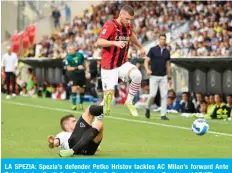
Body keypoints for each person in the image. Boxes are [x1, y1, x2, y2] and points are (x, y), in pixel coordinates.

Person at [96, 5, 146, 116]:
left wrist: (140, 47)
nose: (129, 22)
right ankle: (93, 120)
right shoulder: (110, 25)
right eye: (127, 19)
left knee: (137, 75)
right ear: (120, 15)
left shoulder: (128, 26)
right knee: (108, 100)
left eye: (131, 20)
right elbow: (99, 41)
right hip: (109, 66)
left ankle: (129, 101)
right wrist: (114, 42)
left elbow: (131, 35)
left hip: (122, 63)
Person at [144, 34, 172, 120]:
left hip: (163, 76)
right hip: (154, 76)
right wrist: (147, 70)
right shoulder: (152, 50)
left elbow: (168, 65)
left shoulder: (167, 51)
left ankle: (163, 115)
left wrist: (169, 76)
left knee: (164, 95)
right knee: (152, 95)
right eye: (161, 39)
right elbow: (146, 61)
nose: (162, 41)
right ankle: (147, 108)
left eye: (164, 39)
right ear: (158, 40)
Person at [66, 45, 90, 110]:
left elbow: (85, 62)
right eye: (69, 49)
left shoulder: (80, 54)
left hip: (82, 74)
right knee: (74, 88)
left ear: (74, 49)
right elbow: (68, 68)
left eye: (71, 49)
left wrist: (87, 71)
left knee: (82, 89)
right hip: (74, 74)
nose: (70, 51)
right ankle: (74, 105)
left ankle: (81, 104)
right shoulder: (68, 57)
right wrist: (76, 67)